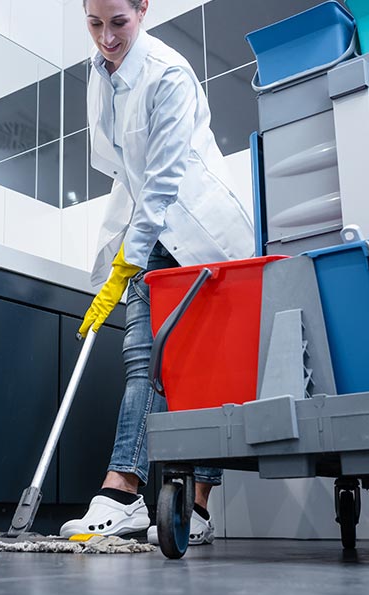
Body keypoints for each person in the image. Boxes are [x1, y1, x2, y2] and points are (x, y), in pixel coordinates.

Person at [60, 0, 254, 545]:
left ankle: (198, 506)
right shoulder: (98, 77)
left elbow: (165, 181)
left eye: (118, 22)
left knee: (202, 374)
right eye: (94, 24)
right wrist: (116, 260)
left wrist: (131, 253)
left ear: (143, 9)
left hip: (198, 237)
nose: (106, 38)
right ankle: (123, 492)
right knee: (142, 360)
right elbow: (125, 173)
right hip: (148, 231)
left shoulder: (168, 74)